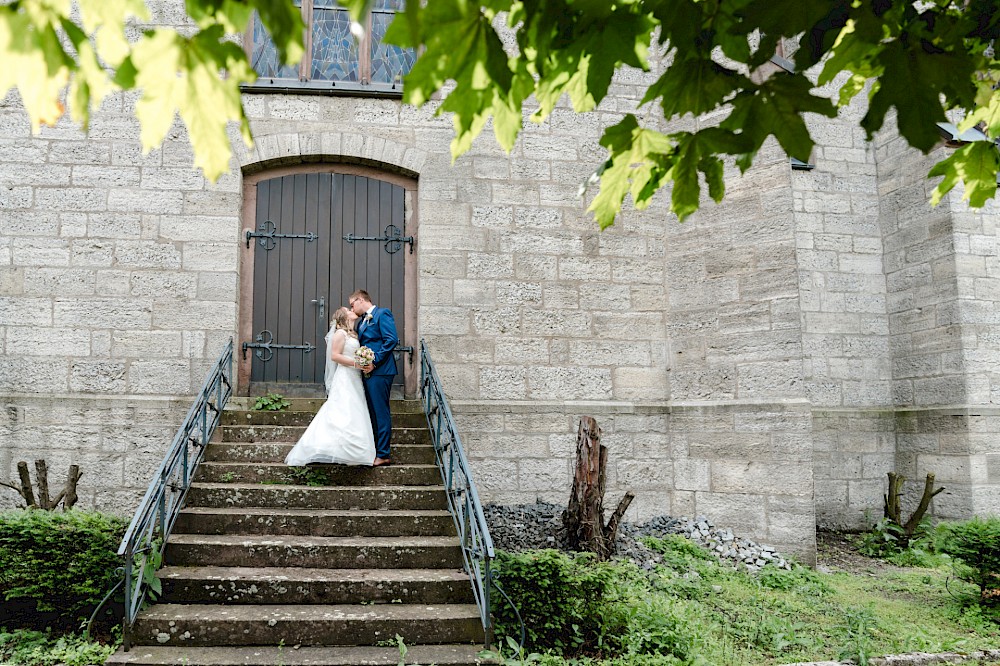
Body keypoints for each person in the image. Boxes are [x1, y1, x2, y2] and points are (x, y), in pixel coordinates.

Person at [284, 307, 375, 467]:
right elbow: (335, 356)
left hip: (354, 377)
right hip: (345, 376)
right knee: (343, 408)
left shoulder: (352, 334)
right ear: (343, 316)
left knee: (353, 410)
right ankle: (323, 446)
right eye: (349, 309)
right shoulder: (340, 333)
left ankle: (352, 451)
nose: (352, 310)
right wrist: (357, 363)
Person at [349, 289, 398, 466]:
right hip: (369, 372)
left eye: (352, 304)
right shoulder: (362, 321)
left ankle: (384, 453)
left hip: (381, 371)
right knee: (372, 412)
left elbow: (391, 340)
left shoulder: (381, 314)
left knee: (380, 411)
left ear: (361, 300)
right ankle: (376, 449)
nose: (352, 308)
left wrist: (374, 361)